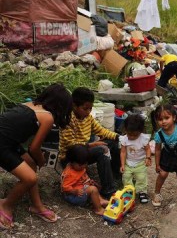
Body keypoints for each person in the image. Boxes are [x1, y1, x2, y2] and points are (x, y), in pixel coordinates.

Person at [0, 83, 72, 229]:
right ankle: (5, 205)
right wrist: (41, 160)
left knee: (30, 165)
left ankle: (37, 206)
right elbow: (34, 148)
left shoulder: (29, 104)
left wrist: (35, 161)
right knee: (30, 177)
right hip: (2, 144)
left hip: (8, 141)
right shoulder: (48, 117)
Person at [59, 87, 120, 199]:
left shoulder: (88, 118)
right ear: (74, 106)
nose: (88, 112)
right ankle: (109, 191)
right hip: (70, 157)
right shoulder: (68, 119)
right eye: (85, 108)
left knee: (112, 143)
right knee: (102, 150)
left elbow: (101, 130)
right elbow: (70, 145)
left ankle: (117, 175)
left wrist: (117, 137)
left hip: (84, 151)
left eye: (90, 108)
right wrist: (91, 145)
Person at [61, 145, 109, 215]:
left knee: (92, 186)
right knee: (93, 189)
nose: (83, 166)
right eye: (80, 165)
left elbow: (83, 178)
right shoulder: (69, 173)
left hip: (80, 189)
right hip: (73, 196)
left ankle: (100, 200)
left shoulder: (79, 168)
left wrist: (89, 181)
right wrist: (74, 191)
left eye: (85, 164)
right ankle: (98, 209)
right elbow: (64, 188)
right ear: (71, 162)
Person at [119, 114, 152, 204]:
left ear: (140, 131)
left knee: (141, 177)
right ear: (125, 130)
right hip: (128, 162)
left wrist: (148, 157)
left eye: (135, 135)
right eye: (130, 134)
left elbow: (148, 149)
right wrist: (122, 164)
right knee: (126, 177)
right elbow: (123, 152)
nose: (132, 137)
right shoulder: (124, 139)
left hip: (140, 162)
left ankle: (142, 192)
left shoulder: (143, 139)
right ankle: (128, 191)